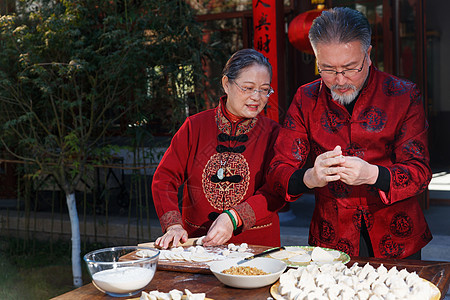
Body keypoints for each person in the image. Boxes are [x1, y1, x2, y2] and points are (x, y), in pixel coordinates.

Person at [268, 7, 432, 259]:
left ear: (367, 55)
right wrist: (310, 177)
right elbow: (279, 170)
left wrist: (372, 174)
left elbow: (419, 173)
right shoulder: (306, 98)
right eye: (328, 69)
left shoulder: (403, 95)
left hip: (397, 236)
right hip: (331, 238)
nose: (340, 80)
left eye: (350, 68)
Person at [152, 48, 284, 248]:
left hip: (256, 247)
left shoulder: (274, 133)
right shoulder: (195, 127)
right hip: (199, 245)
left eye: (264, 89)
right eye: (248, 88)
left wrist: (235, 217)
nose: (257, 97)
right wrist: (173, 226)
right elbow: (164, 179)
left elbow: (277, 190)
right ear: (226, 84)